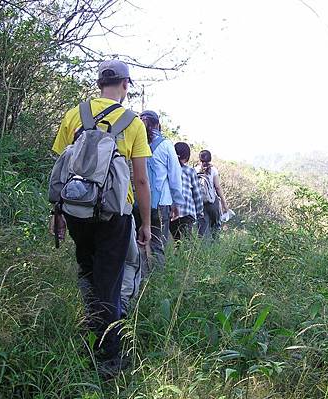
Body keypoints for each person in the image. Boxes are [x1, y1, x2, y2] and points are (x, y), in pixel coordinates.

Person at [50, 59, 151, 377]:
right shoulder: (133, 123)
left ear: (99, 83)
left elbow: (61, 170)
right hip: (114, 215)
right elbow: (141, 181)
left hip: (76, 210)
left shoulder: (74, 115)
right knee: (110, 282)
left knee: (88, 273)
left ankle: (91, 331)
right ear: (125, 85)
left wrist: (58, 214)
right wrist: (146, 223)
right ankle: (108, 360)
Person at [133, 110, 183, 270]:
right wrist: (177, 202)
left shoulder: (134, 140)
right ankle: (156, 282)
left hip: (136, 201)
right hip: (160, 203)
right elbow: (175, 176)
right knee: (157, 243)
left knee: (137, 242)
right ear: (157, 124)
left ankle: (138, 279)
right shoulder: (166, 145)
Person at [170, 142, 204, 241]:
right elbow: (197, 194)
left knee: (176, 240)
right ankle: (184, 256)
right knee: (186, 242)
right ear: (187, 156)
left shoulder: (169, 169)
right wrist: (199, 212)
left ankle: (175, 255)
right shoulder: (190, 171)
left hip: (171, 212)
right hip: (187, 211)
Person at [197, 149, 228, 238]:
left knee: (202, 230)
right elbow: (217, 187)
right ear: (210, 159)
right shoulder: (213, 170)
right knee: (215, 227)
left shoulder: (195, 170)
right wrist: (224, 203)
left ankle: (203, 249)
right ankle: (215, 246)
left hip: (200, 203)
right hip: (212, 202)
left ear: (200, 159)